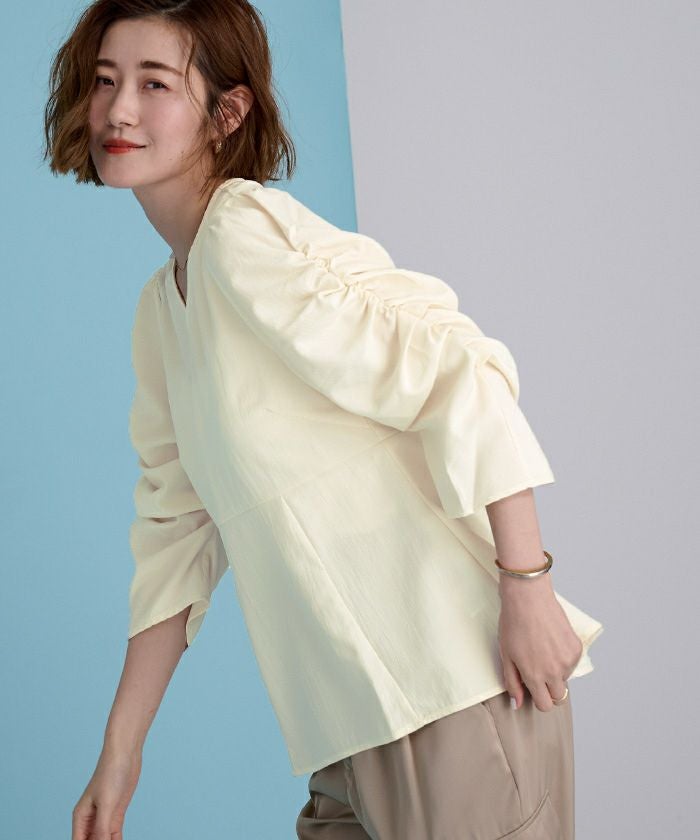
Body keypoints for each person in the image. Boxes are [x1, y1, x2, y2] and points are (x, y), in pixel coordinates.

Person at [43, 2, 604, 838]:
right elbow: (175, 536)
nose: (118, 109)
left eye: (154, 84)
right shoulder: (163, 311)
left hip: (452, 690)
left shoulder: (241, 238)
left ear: (227, 112)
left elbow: (456, 367)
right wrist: (119, 756)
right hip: (347, 730)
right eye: (104, 80)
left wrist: (527, 587)